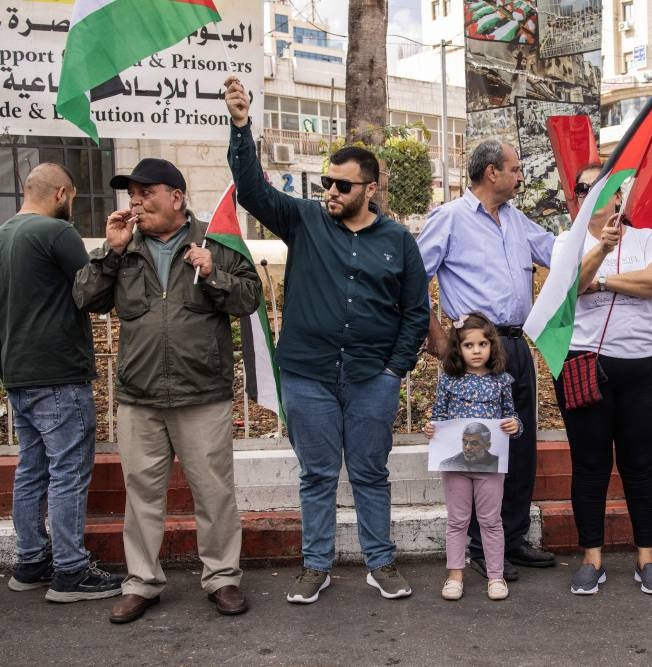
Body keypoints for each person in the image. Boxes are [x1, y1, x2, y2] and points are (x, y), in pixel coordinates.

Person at [223, 76, 429, 604]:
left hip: (371, 380)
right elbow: (251, 191)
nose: (330, 193)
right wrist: (242, 126)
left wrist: (393, 371)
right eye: (326, 184)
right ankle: (315, 566)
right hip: (307, 375)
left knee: (369, 473)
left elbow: (415, 312)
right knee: (316, 476)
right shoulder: (306, 220)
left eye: (341, 185)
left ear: (371, 188)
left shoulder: (398, 241)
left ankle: (379, 562)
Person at [73, 158, 262, 622]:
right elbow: (85, 297)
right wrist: (111, 251)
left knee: (214, 492)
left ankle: (222, 577)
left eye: (146, 192)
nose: (135, 201)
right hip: (140, 395)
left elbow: (249, 298)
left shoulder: (214, 239)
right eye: (131, 194)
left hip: (202, 393)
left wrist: (214, 271)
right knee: (142, 495)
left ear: (176, 197)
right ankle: (141, 582)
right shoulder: (125, 246)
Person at [418, 139, 556, 581]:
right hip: (475, 351)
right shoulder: (450, 219)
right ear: (492, 172)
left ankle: (509, 540)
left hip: (515, 346)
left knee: (519, 445)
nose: (521, 177)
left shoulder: (517, 221)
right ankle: (479, 547)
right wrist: (438, 338)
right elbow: (412, 278)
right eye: (515, 169)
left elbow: (559, 254)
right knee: (476, 447)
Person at [0, 163, 123, 602]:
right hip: (59, 373)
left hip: (18, 372)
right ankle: (70, 570)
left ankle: (31, 561)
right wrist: (112, 251)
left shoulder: (4, 234)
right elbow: (91, 290)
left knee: (32, 468)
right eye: (71, 197)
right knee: (69, 470)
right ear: (62, 193)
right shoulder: (56, 233)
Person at [551, 164, 652, 596]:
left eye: (604, 188)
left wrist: (602, 281)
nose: (594, 195)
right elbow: (569, 288)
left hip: (643, 367)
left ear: (619, 196)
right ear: (577, 198)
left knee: (640, 465)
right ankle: (592, 559)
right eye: (585, 189)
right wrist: (599, 252)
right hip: (584, 364)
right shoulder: (568, 242)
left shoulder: (646, 238)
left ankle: (647, 558)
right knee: (590, 465)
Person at [423, 313, 522, 601]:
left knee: (491, 520)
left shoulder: (501, 381)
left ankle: (495, 576)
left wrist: (515, 426)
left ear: (492, 346)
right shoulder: (449, 381)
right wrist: (431, 428)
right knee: (457, 520)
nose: (476, 351)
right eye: (468, 345)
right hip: (455, 465)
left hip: (490, 466)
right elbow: (438, 417)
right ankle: (455, 575)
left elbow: (512, 417)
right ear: (459, 348)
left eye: (482, 344)